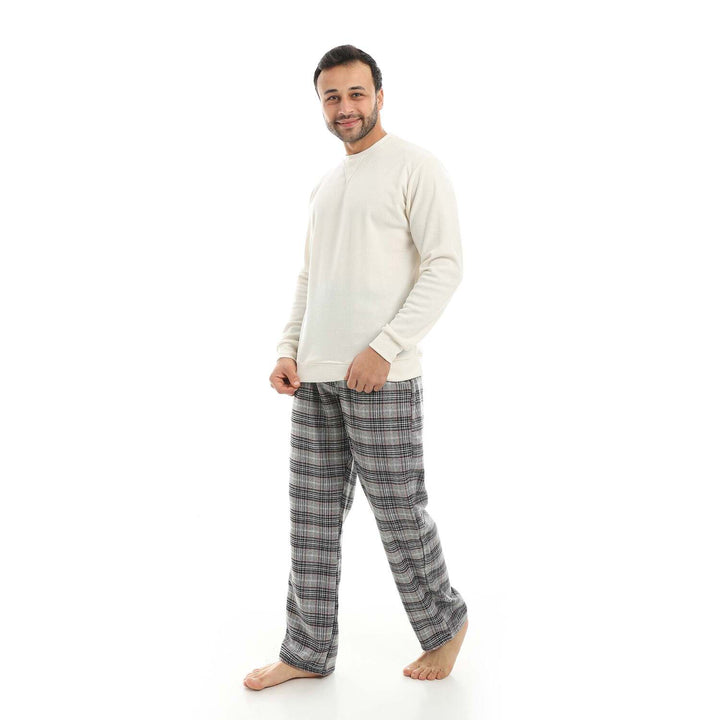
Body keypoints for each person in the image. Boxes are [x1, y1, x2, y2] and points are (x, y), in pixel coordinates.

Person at [245, 44, 469, 691]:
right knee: (311, 522)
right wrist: (288, 348)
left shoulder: (416, 166)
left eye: (356, 93)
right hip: (314, 379)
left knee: (399, 514)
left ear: (379, 96)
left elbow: (445, 265)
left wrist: (386, 347)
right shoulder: (325, 185)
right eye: (332, 97)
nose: (345, 107)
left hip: (382, 378)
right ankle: (307, 650)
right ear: (321, 104)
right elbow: (310, 276)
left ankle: (445, 625)